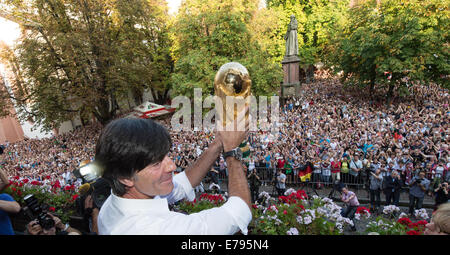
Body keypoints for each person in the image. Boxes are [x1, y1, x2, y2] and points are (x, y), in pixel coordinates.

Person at [96, 117, 252, 235]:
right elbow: (239, 212)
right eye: (156, 163)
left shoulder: (115, 202)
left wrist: (218, 143)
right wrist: (232, 150)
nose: (172, 166)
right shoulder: (155, 229)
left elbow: (183, 184)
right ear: (125, 177)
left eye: (166, 155)